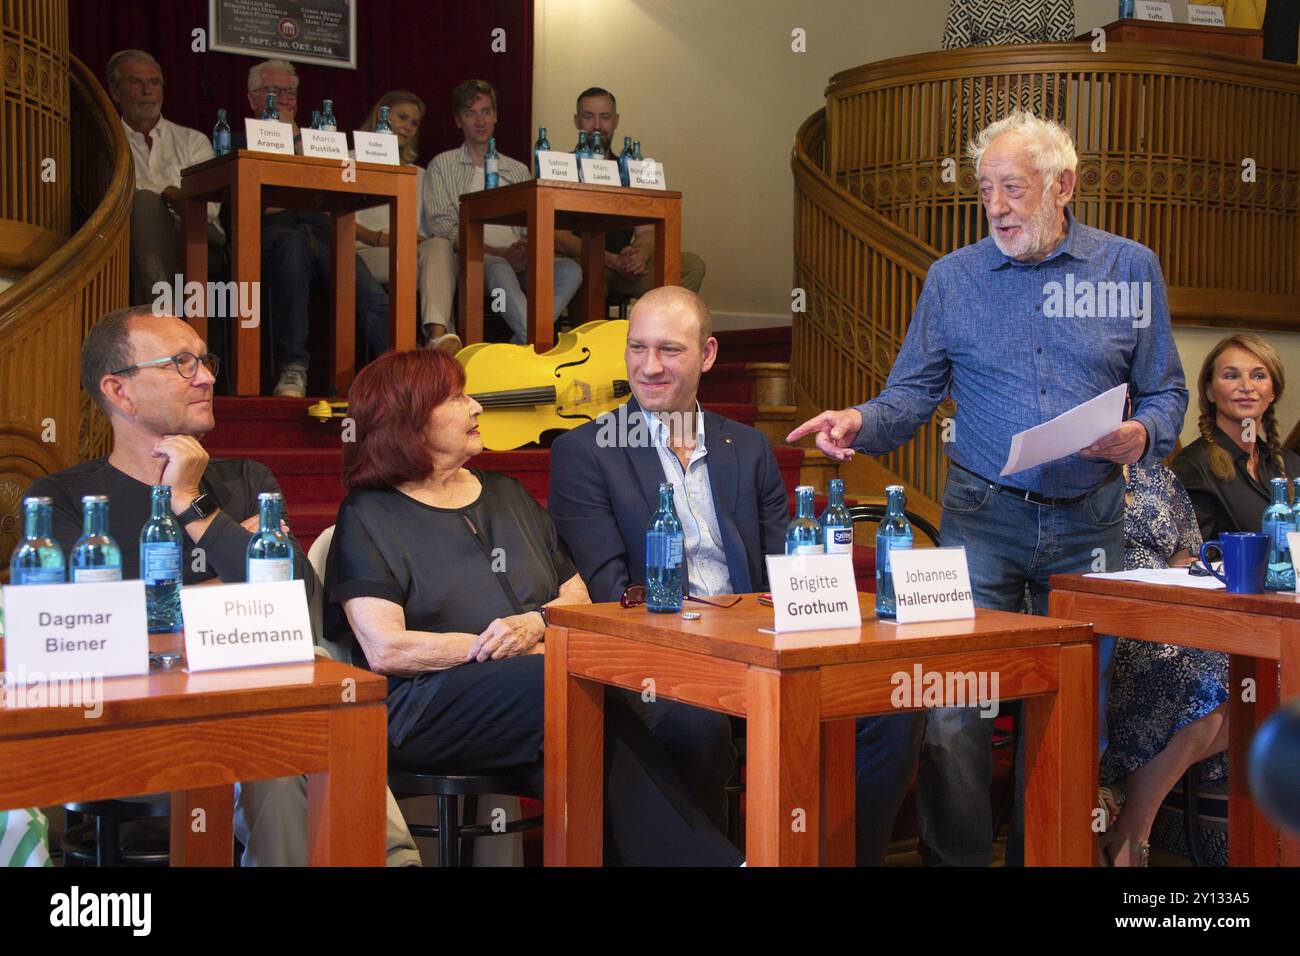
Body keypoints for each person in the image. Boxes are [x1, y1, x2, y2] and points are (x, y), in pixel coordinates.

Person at [788, 110, 1188, 866]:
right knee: (954, 713)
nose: (996, 207)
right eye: (985, 191)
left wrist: (1143, 435)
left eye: (1013, 188)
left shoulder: (1129, 268)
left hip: (1090, 523)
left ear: (1063, 185)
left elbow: (1165, 391)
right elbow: (908, 396)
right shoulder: (953, 279)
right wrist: (858, 421)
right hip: (981, 519)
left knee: (1072, 716)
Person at [23, 305, 418, 866]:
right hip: (131, 731)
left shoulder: (243, 480)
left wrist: (192, 505)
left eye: (203, 360)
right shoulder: (68, 502)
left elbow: (293, 608)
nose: (206, 375)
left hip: (254, 720)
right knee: (285, 740)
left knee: (278, 748)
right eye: (181, 363)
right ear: (119, 390)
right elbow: (89, 629)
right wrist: (229, 587)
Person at [324, 347, 742, 866]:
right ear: (408, 420)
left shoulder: (506, 492)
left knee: (687, 721)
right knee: (557, 692)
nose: (477, 406)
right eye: (457, 397)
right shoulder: (367, 515)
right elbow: (387, 647)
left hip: (548, 690)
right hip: (428, 706)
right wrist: (501, 649)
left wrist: (535, 624)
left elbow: (576, 594)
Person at [547, 286, 922, 864]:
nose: (649, 367)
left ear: (709, 354)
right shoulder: (587, 450)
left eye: (669, 350)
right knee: (692, 721)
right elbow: (612, 591)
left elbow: (785, 568)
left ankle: (831, 858)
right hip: (662, 656)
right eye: (637, 348)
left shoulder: (745, 446)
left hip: (762, 644)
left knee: (890, 708)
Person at [1100, 460, 1227, 866]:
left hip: (1167, 610)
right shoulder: (1062, 473)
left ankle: (1126, 798)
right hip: (1100, 617)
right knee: (1198, 673)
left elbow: (1186, 558)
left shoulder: (1158, 476)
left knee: (1254, 665)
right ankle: (1134, 832)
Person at [243, 59, 391, 397]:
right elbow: (251, 201)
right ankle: (293, 368)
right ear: (252, 99)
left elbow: (335, 194)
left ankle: (402, 367)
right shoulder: (238, 139)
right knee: (293, 245)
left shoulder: (318, 141)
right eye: (272, 90)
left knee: (359, 277)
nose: (282, 98)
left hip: (322, 230)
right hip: (269, 234)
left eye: (290, 92)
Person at [422, 79, 583, 344]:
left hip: (519, 258)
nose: (480, 121)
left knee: (570, 270)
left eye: (486, 111)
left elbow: (534, 222)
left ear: (495, 115)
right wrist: (501, 254)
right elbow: (443, 227)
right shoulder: (442, 165)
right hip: (474, 259)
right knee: (499, 267)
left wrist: (526, 248)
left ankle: (521, 343)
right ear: (458, 121)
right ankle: (538, 343)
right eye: (470, 113)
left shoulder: (518, 170)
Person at [552, 87, 706, 298]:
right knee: (588, 272)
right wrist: (609, 259)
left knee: (691, 266)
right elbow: (558, 237)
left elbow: (647, 231)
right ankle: (591, 332)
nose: (597, 126)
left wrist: (639, 253)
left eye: (605, 117)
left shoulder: (631, 168)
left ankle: (652, 329)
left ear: (616, 121)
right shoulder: (562, 168)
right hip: (583, 261)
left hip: (626, 267)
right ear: (577, 121)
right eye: (589, 117)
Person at [107, 49, 226, 305]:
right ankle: (163, 321)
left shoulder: (193, 140)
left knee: (144, 203)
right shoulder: (106, 143)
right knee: (145, 208)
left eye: (154, 82)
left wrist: (149, 194)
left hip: (196, 231)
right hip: (128, 235)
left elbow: (210, 208)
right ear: (115, 93)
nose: (147, 91)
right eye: (136, 83)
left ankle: (158, 322)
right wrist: (169, 192)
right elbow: (110, 200)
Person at [354, 91, 461, 354]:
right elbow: (331, 218)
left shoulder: (421, 174)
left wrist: (408, 240)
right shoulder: (348, 158)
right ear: (381, 114)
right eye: (402, 117)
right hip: (366, 251)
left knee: (440, 247)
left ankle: (436, 339)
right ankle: (420, 352)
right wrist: (379, 238)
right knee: (433, 274)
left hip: (412, 251)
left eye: (414, 123)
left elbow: (428, 230)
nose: (407, 126)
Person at [1172, 333, 1300, 542]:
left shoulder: (1292, 464)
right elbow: (1190, 560)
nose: (1247, 387)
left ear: (1273, 392)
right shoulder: (1193, 465)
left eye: (1258, 376)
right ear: (1210, 391)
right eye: (1231, 376)